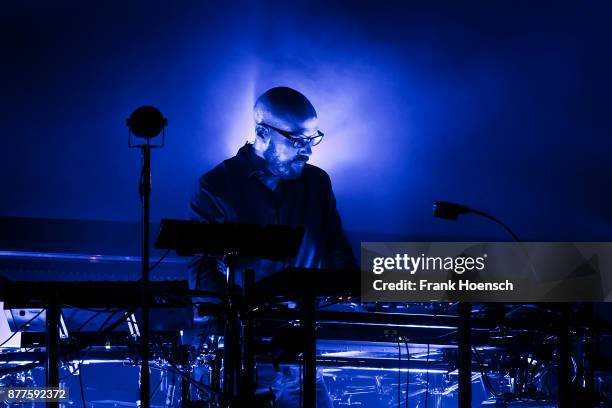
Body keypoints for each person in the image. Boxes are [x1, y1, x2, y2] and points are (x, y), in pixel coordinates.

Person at [188, 86, 356, 407]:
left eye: (313, 139)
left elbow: (335, 246)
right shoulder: (217, 186)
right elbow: (202, 265)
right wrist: (219, 330)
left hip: (302, 334)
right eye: (296, 141)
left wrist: (353, 288)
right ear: (262, 132)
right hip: (243, 338)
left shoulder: (317, 182)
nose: (307, 150)